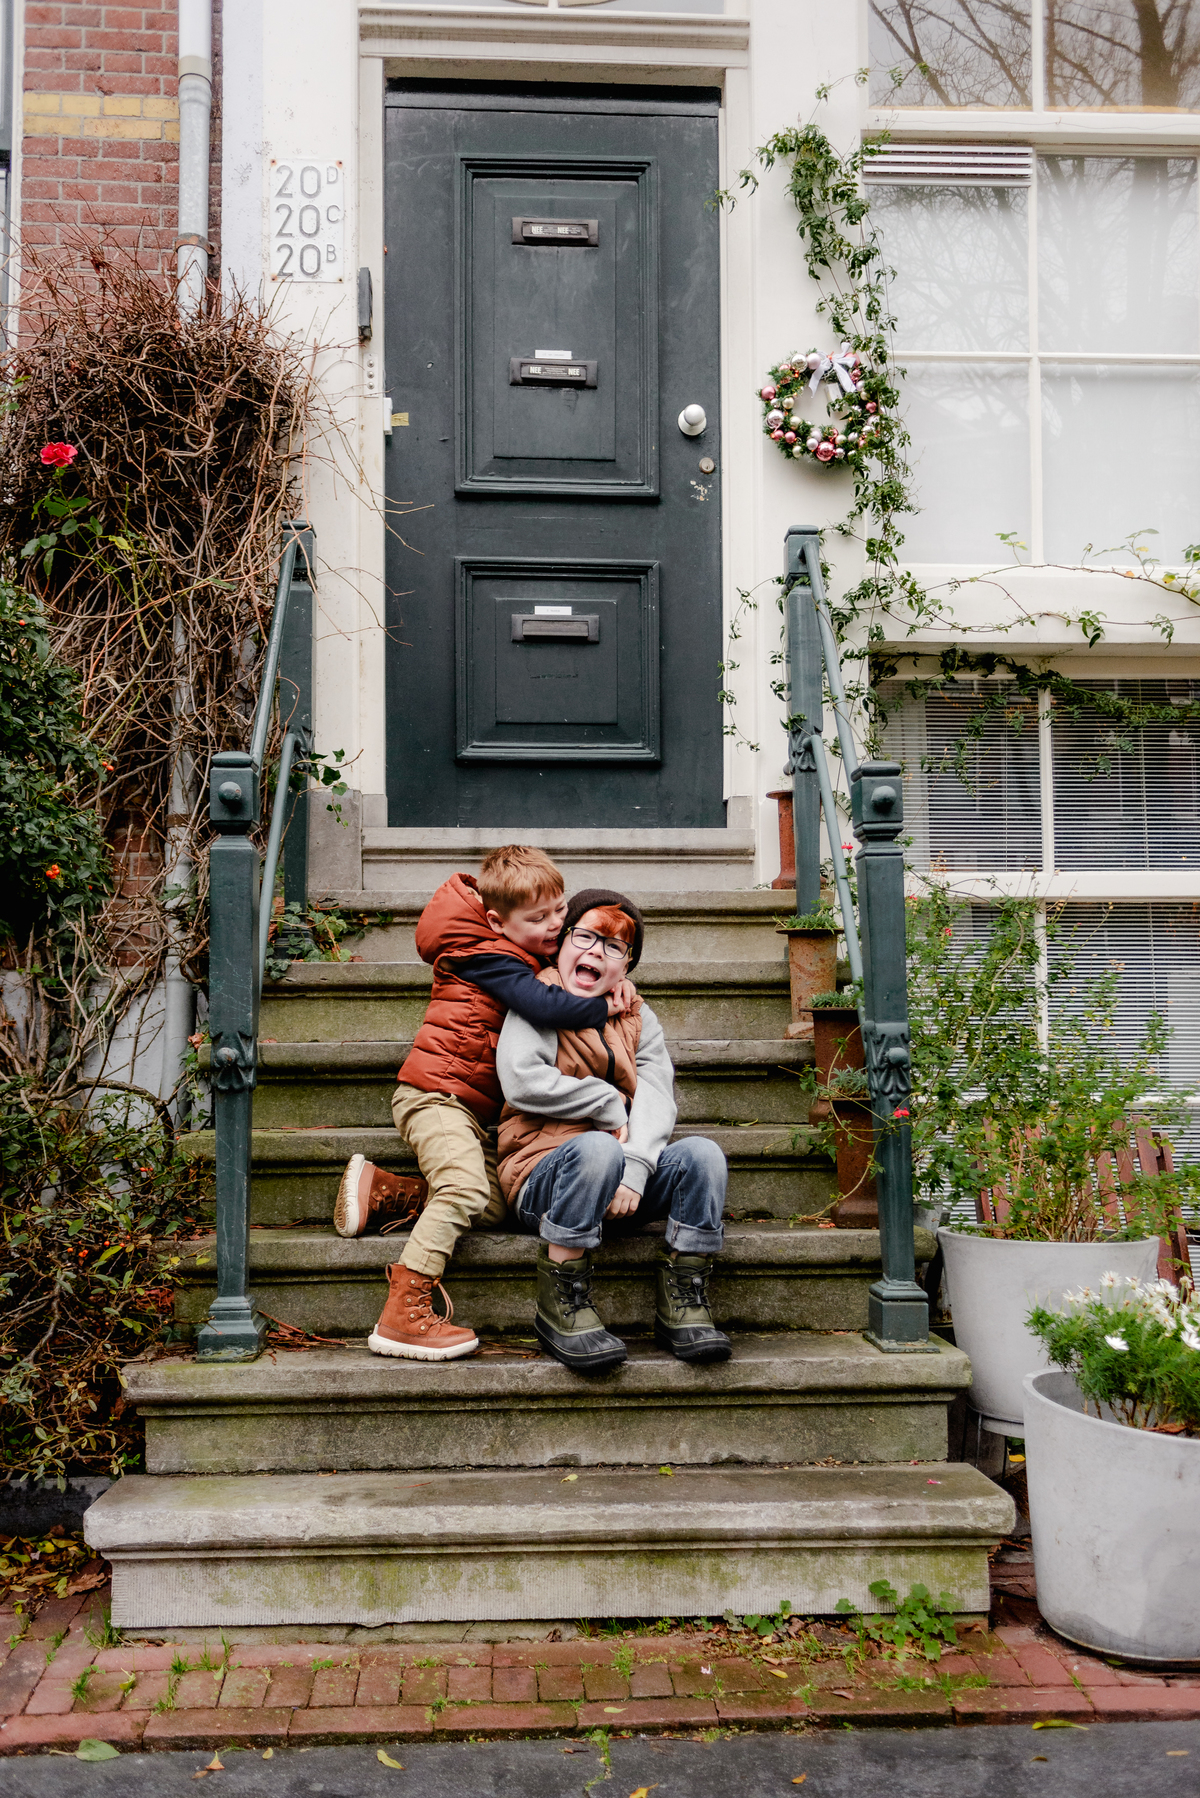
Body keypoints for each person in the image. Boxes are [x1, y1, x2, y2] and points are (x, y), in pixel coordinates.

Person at [334, 847, 635, 1363]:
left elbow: (564, 972)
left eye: (560, 911)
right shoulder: (486, 954)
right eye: (539, 919)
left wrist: (613, 975)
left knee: (494, 1205)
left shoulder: (520, 948)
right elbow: (544, 1003)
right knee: (466, 1188)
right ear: (497, 920)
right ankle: (402, 1312)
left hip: (471, 1109)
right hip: (435, 1097)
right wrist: (600, 1005)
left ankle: (391, 1192)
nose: (555, 925)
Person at [495, 888, 731, 1374]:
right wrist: (605, 1103)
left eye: (614, 947)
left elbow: (657, 1093)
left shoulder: (638, 1016)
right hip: (541, 1177)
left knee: (703, 1155)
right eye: (584, 936)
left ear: (625, 967)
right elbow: (522, 1079)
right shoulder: (537, 999)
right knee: (598, 1147)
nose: (595, 952)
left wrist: (639, 1166)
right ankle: (562, 1300)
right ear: (561, 945)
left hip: (621, 1174)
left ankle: (684, 1298)